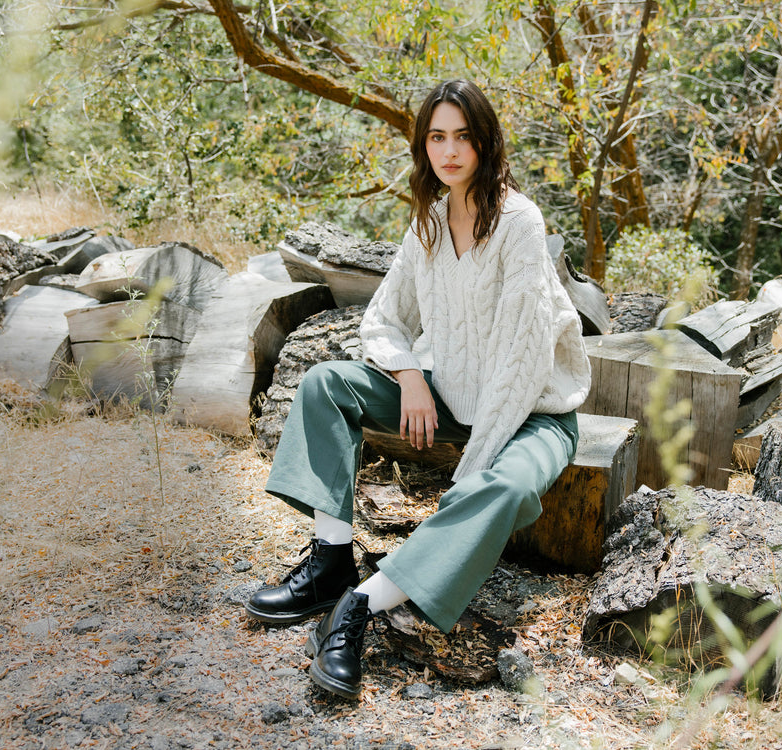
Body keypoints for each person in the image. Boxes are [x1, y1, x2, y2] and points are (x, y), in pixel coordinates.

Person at [243, 79, 592, 700]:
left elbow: (520, 367)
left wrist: (470, 474)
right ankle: (329, 563)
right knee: (326, 383)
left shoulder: (519, 223)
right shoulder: (429, 222)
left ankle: (356, 606)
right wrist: (409, 376)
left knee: (507, 486)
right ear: (423, 146)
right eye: (437, 137)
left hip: (533, 413)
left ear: (486, 143)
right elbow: (384, 318)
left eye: (463, 137)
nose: (449, 151)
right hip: (452, 396)